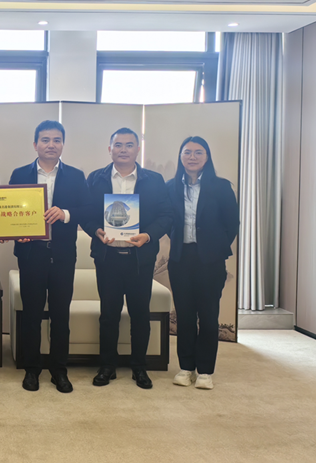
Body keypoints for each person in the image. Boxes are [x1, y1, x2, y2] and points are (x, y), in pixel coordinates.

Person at [82, 127, 172, 390]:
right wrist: (95, 230)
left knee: (140, 314)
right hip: (108, 257)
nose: (123, 150)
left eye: (129, 145)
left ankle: (139, 367)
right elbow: (86, 213)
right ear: (109, 149)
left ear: (137, 149)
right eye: (118, 145)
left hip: (139, 258)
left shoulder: (154, 180)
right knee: (108, 315)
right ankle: (107, 366)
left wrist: (148, 235)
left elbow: (167, 215)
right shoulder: (96, 178)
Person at [9, 120, 92, 393]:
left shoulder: (76, 176)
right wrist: (16, 233)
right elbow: (10, 211)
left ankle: (59, 371)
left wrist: (65, 213)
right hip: (31, 254)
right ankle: (31, 370)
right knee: (31, 315)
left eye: (57, 140)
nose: (51, 145)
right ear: (35, 144)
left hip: (63, 256)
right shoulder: (20, 174)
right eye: (45, 140)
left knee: (60, 316)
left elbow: (87, 209)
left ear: (63, 144)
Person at [167, 136, 239, 390]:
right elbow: (166, 220)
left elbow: (232, 224)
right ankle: (186, 368)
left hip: (210, 260)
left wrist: (215, 247)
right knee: (185, 316)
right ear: (180, 157)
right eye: (187, 152)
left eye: (198, 152)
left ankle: (206, 371)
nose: (192, 157)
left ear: (207, 157)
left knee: (208, 316)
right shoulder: (170, 187)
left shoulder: (221, 187)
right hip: (180, 259)